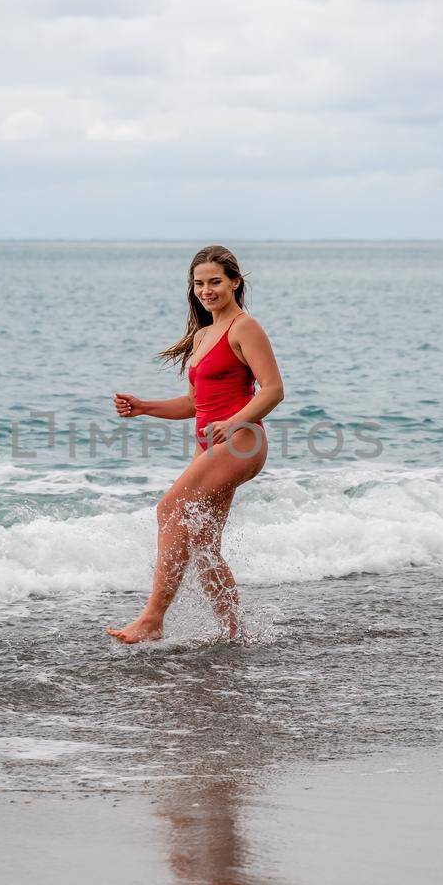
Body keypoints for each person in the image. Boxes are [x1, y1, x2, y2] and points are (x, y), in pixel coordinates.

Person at [107, 245, 285, 643]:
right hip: (212, 446)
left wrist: (235, 421)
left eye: (215, 282)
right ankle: (233, 630)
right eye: (199, 283)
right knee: (204, 543)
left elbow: (273, 390)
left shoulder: (245, 327)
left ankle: (152, 619)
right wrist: (144, 407)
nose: (207, 290)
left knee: (169, 509)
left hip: (241, 440)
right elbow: (194, 403)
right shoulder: (203, 334)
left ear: (235, 282)